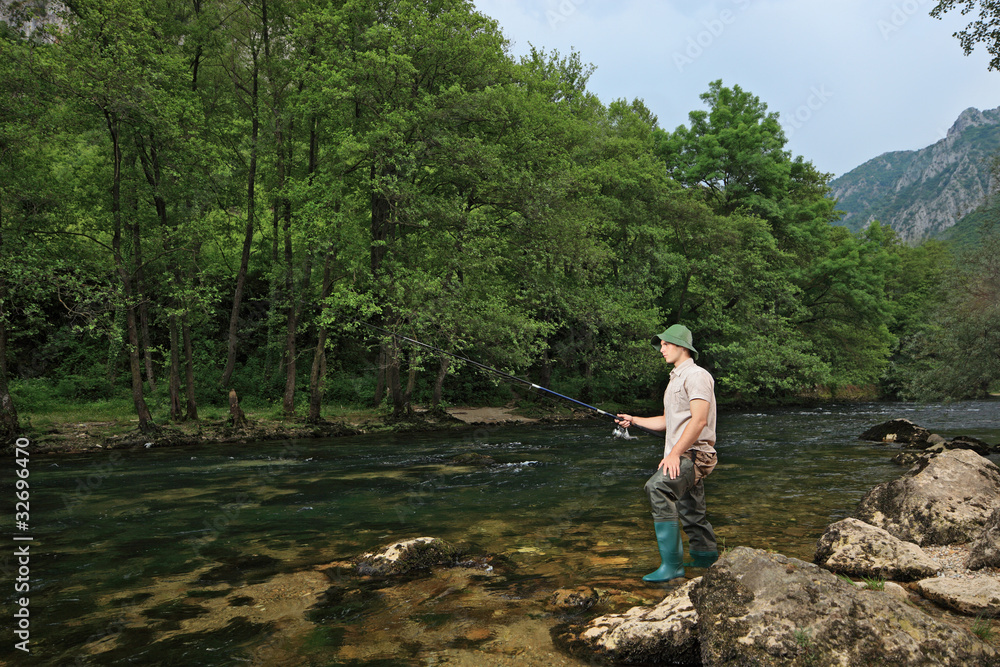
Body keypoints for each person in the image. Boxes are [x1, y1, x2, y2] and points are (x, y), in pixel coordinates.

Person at [617, 324, 718, 582]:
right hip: (684, 454)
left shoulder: (696, 375)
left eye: (665, 344)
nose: (661, 349)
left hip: (693, 455)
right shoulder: (676, 378)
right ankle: (708, 564)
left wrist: (674, 454)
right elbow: (667, 420)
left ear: (681, 346)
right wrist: (635, 419)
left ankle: (672, 567)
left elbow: (699, 421)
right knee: (692, 513)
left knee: (657, 488)